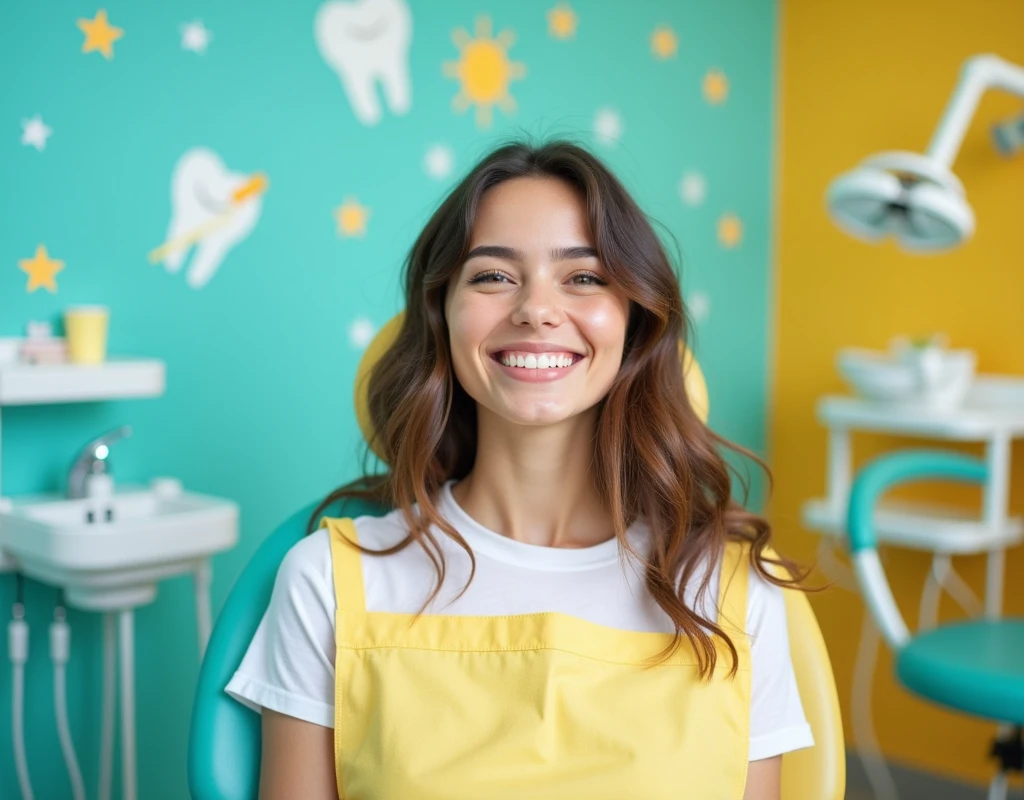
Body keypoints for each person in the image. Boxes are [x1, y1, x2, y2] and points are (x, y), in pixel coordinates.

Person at [226, 139, 815, 799]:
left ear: (635, 321)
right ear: (440, 316)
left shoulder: (730, 591)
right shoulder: (328, 582)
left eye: (584, 277)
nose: (536, 309)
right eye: (493, 276)